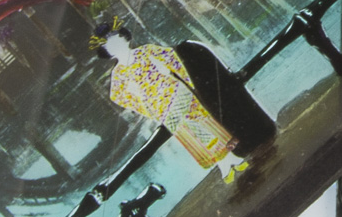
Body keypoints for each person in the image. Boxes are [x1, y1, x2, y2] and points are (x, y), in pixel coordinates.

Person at [98, 25, 274, 183]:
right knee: (189, 133)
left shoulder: (145, 51)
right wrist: (144, 106)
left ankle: (230, 157)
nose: (117, 46)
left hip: (178, 92)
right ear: (108, 52)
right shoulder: (119, 75)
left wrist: (186, 82)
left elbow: (174, 61)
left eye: (118, 40)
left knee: (204, 124)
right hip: (159, 107)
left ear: (125, 38)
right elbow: (119, 97)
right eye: (111, 45)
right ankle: (223, 163)